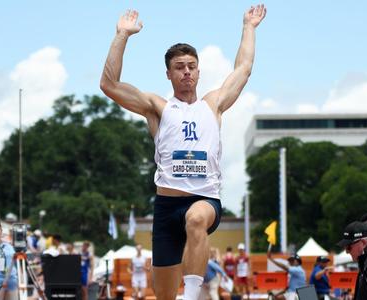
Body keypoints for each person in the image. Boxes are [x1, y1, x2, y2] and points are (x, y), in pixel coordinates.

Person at [99, 5, 266, 300]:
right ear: (168, 73)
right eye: (179, 67)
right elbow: (109, 85)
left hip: (204, 200)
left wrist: (248, 27)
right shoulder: (158, 107)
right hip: (166, 207)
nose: (186, 71)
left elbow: (243, 68)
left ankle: (191, 296)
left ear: (199, 71)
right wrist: (122, 35)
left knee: (196, 219)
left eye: (191, 65)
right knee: (163, 295)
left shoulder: (213, 104)